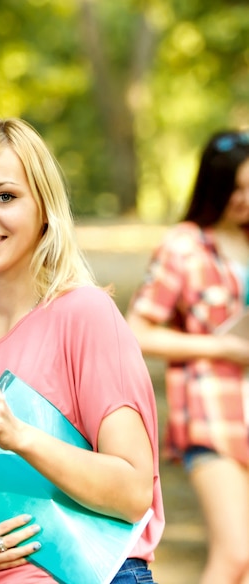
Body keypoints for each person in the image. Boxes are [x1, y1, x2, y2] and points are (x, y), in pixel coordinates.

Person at [0, 117, 164, 583]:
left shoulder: (84, 314)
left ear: (45, 209)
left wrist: (19, 435)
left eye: (5, 196)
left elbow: (134, 491)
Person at [127, 129, 249, 584]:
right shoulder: (184, 246)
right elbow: (136, 331)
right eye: (236, 189)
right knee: (235, 553)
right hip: (211, 415)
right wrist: (223, 347)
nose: (245, 199)